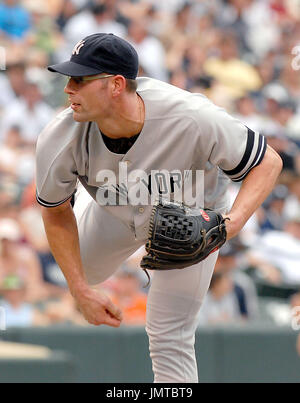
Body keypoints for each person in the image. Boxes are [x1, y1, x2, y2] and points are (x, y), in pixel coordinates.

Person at [35, 33, 282, 383]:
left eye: (80, 79)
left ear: (116, 85)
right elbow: (54, 210)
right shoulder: (60, 137)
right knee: (82, 273)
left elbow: (268, 162)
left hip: (190, 219)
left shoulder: (192, 116)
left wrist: (227, 225)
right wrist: (80, 291)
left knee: (169, 338)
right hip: (115, 209)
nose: (68, 88)